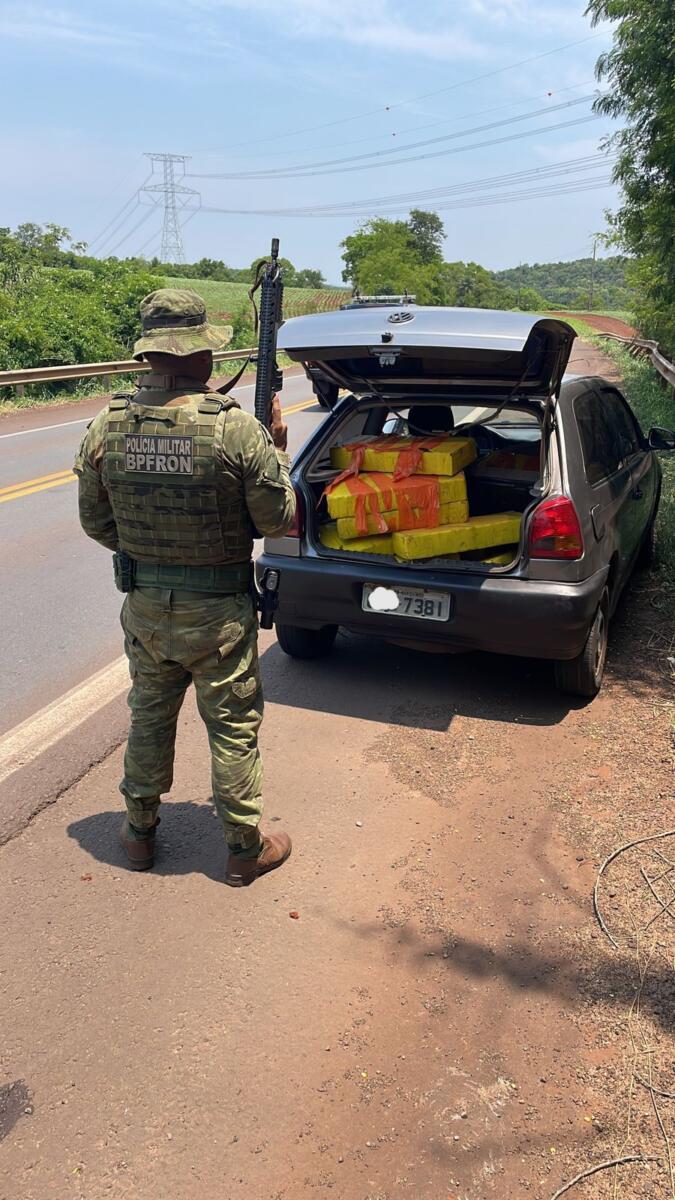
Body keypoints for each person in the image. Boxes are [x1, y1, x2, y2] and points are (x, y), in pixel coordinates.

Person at [74, 288, 296, 886]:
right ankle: (243, 847)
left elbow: (96, 524)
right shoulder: (237, 431)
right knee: (231, 727)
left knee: (148, 714)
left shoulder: (105, 425)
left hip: (145, 605)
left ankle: (139, 834)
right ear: (200, 357)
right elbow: (279, 520)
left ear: (150, 356)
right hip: (219, 611)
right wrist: (277, 447)